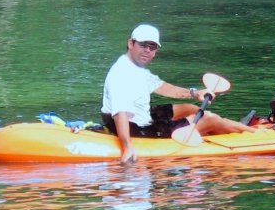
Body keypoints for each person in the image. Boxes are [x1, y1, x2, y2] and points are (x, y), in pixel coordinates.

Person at [102, 24, 255, 164]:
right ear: (131, 44)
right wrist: (127, 147)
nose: (147, 50)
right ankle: (255, 134)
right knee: (209, 118)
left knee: (190, 108)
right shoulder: (122, 73)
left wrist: (195, 93)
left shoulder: (133, 67)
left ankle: (231, 127)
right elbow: (120, 113)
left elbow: (163, 87)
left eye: (152, 47)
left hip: (143, 118)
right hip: (139, 130)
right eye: (143, 45)